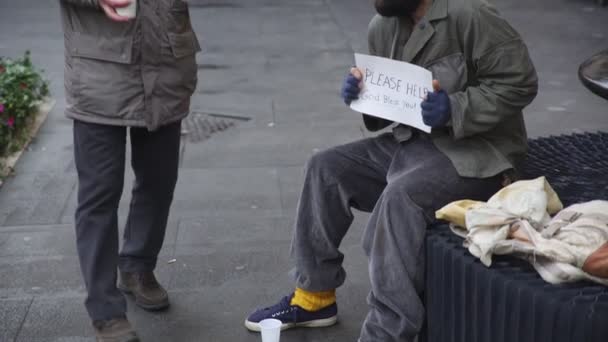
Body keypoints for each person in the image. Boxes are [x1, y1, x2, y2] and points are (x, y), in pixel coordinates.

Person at [244, 0, 538, 341]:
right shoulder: (382, 27)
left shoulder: (470, 14)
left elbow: (520, 83)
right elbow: (391, 105)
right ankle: (315, 298)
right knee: (325, 168)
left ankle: (387, 332)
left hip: (480, 154)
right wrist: (363, 96)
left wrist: (456, 107)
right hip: (414, 143)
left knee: (401, 197)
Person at [59, 0, 200, 341]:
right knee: (100, 192)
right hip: (99, 72)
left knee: (160, 180)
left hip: (167, 65)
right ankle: (105, 311)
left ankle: (137, 265)